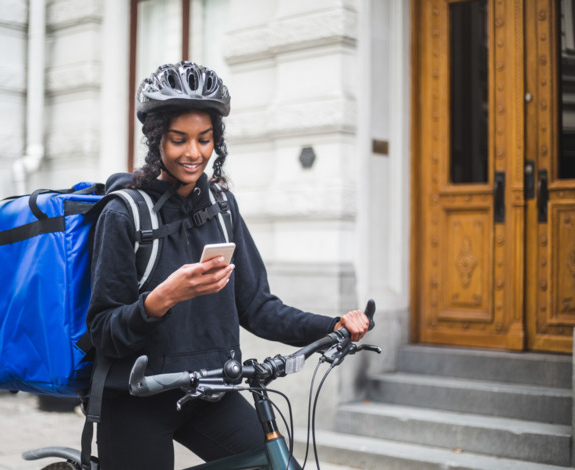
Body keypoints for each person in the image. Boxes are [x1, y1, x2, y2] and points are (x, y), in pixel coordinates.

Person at [86, 61, 369, 470]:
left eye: (204, 139)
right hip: (135, 398)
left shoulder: (221, 206)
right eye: (179, 139)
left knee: (274, 463)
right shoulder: (125, 213)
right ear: (157, 140)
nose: (194, 153)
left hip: (209, 391)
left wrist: (331, 326)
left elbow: (257, 307)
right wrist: (161, 299)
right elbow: (104, 331)